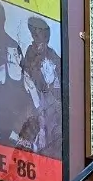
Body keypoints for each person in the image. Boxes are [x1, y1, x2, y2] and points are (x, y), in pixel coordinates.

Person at [0, 40, 41, 147]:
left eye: (15, 55)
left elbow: (38, 105)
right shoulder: (0, 73)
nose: (11, 59)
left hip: (19, 129)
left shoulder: (26, 79)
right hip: (2, 127)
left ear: (20, 57)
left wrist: (41, 131)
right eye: (9, 55)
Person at [21, 16, 62, 157]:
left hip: (52, 107)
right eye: (35, 33)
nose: (38, 37)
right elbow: (27, 75)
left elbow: (60, 76)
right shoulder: (30, 52)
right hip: (36, 103)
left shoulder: (52, 55)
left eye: (41, 34)